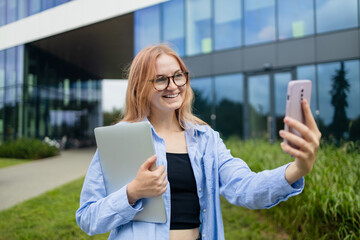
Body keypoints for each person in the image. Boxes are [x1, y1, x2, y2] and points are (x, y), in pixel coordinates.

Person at [76, 44, 321, 240]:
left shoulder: (206, 140)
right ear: (141, 86)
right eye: (161, 79)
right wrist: (132, 192)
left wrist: (298, 168)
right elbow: (88, 218)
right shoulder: (119, 139)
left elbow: (244, 187)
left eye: (178, 76)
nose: (173, 86)